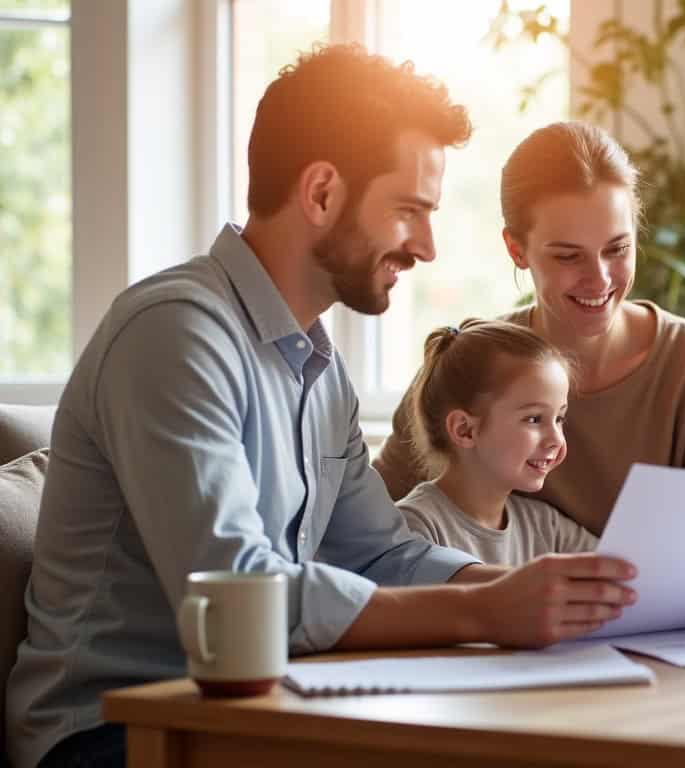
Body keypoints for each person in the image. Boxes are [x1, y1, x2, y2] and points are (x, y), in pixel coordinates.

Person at [7, 45, 637, 768]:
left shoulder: (317, 365)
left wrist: (542, 594)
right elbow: (236, 593)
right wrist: (483, 609)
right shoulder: (175, 333)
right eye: (409, 211)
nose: (427, 246)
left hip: (256, 711)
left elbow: (378, 552)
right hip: (111, 731)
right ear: (322, 193)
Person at [374, 121, 685, 624]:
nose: (599, 279)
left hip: (664, 650)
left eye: (617, 249)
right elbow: (365, 538)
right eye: (568, 256)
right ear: (517, 250)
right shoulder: (471, 365)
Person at [396, 320, 598, 564]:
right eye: (534, 419)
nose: (556, 439)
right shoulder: (413, 528)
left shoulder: (546, 527)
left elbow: (623, 572)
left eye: (559, 418)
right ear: (465, 430)